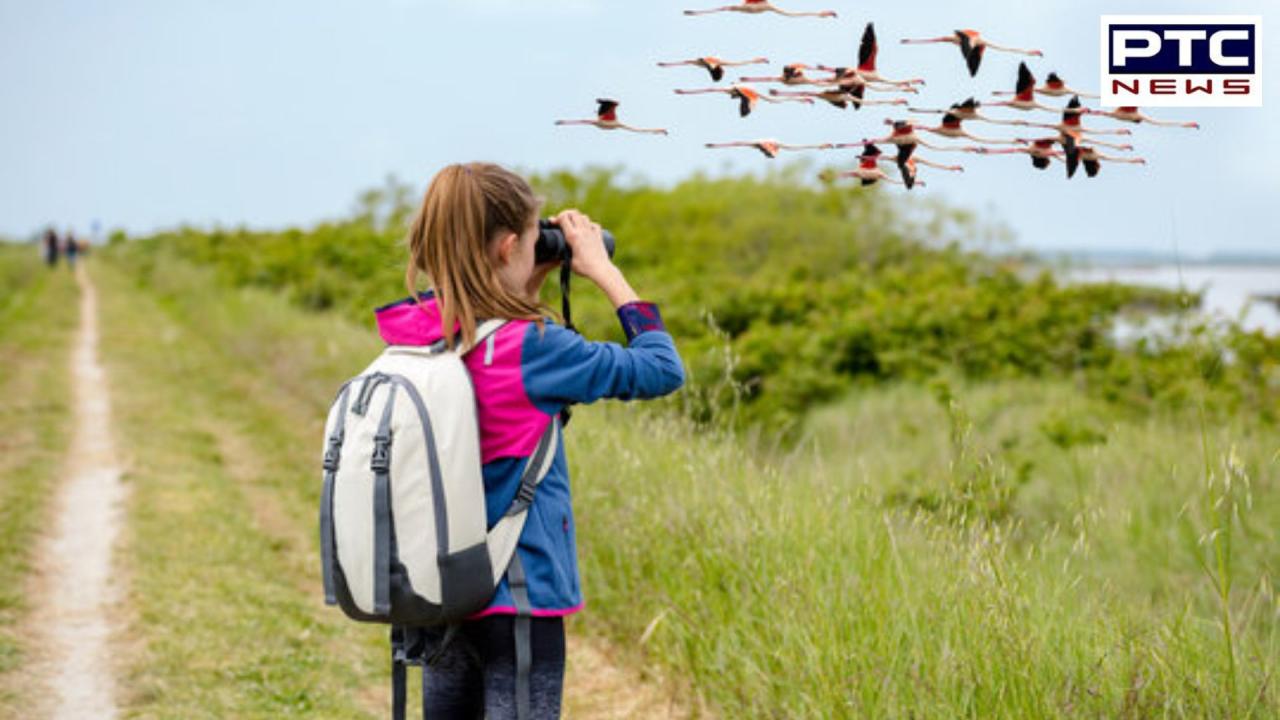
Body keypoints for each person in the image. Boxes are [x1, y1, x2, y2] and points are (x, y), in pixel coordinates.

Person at [372, 162, 684, 719]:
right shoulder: (535, 350)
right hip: (518, 596)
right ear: (510, 244)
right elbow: (661, 369)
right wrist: (603, 270)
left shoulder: (412, 332)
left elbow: (496, 367)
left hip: (436, 590)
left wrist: (526, 282)